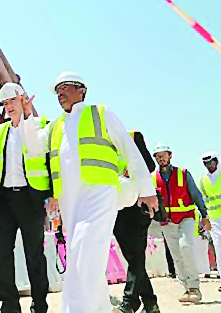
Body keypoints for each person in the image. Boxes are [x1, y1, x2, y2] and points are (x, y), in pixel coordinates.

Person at [20, 72, 158, 313]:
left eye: (65, 87)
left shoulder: (100, 113)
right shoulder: (55, 126)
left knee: (85, 250)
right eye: (57, 90)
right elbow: (31, 146)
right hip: (70, 201)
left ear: (81, 90)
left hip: (99, 194)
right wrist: (25, 116)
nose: (60, 93)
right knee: (78, 257)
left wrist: (146, 190)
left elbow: (129, 150)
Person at [0, 82, 50, 313]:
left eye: (12, 100)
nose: (8, 106)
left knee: (34, 254)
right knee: (0, 248)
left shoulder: (41, 125)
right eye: (4, 103)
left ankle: (39, 304)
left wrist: (50, 196)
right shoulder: (0, 131)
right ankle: (9, 306)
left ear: (22, 99)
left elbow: (49, 163)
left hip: (30, 200)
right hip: (5, 202)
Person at [152, 143, 211, 303]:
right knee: (176, 256)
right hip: (166, 222)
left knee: (185, 246)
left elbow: (196, 195)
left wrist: (204, 215)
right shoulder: (153, 178)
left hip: (186, 217)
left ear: (170, 156)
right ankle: (186, 288)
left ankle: (194, 288)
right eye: (158, 156)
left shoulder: (183, 173)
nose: (161, 158)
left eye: (164, 155)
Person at [114, 131, 161, 313]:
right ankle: (150, 302)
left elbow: (149, 164)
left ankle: (130, 302)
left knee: (135, 255)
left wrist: (131, 171)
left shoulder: (133, 136)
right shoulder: (100, 144)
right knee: (132, 257)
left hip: (137, 206)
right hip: (116, 206)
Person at [197, 152, 221, 292]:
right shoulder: (202, 181)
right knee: (218, 247)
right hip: (214, 219)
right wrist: (203, 221)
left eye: (211, 162)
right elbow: (203, 203)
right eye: (206, 163)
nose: (209, 165)